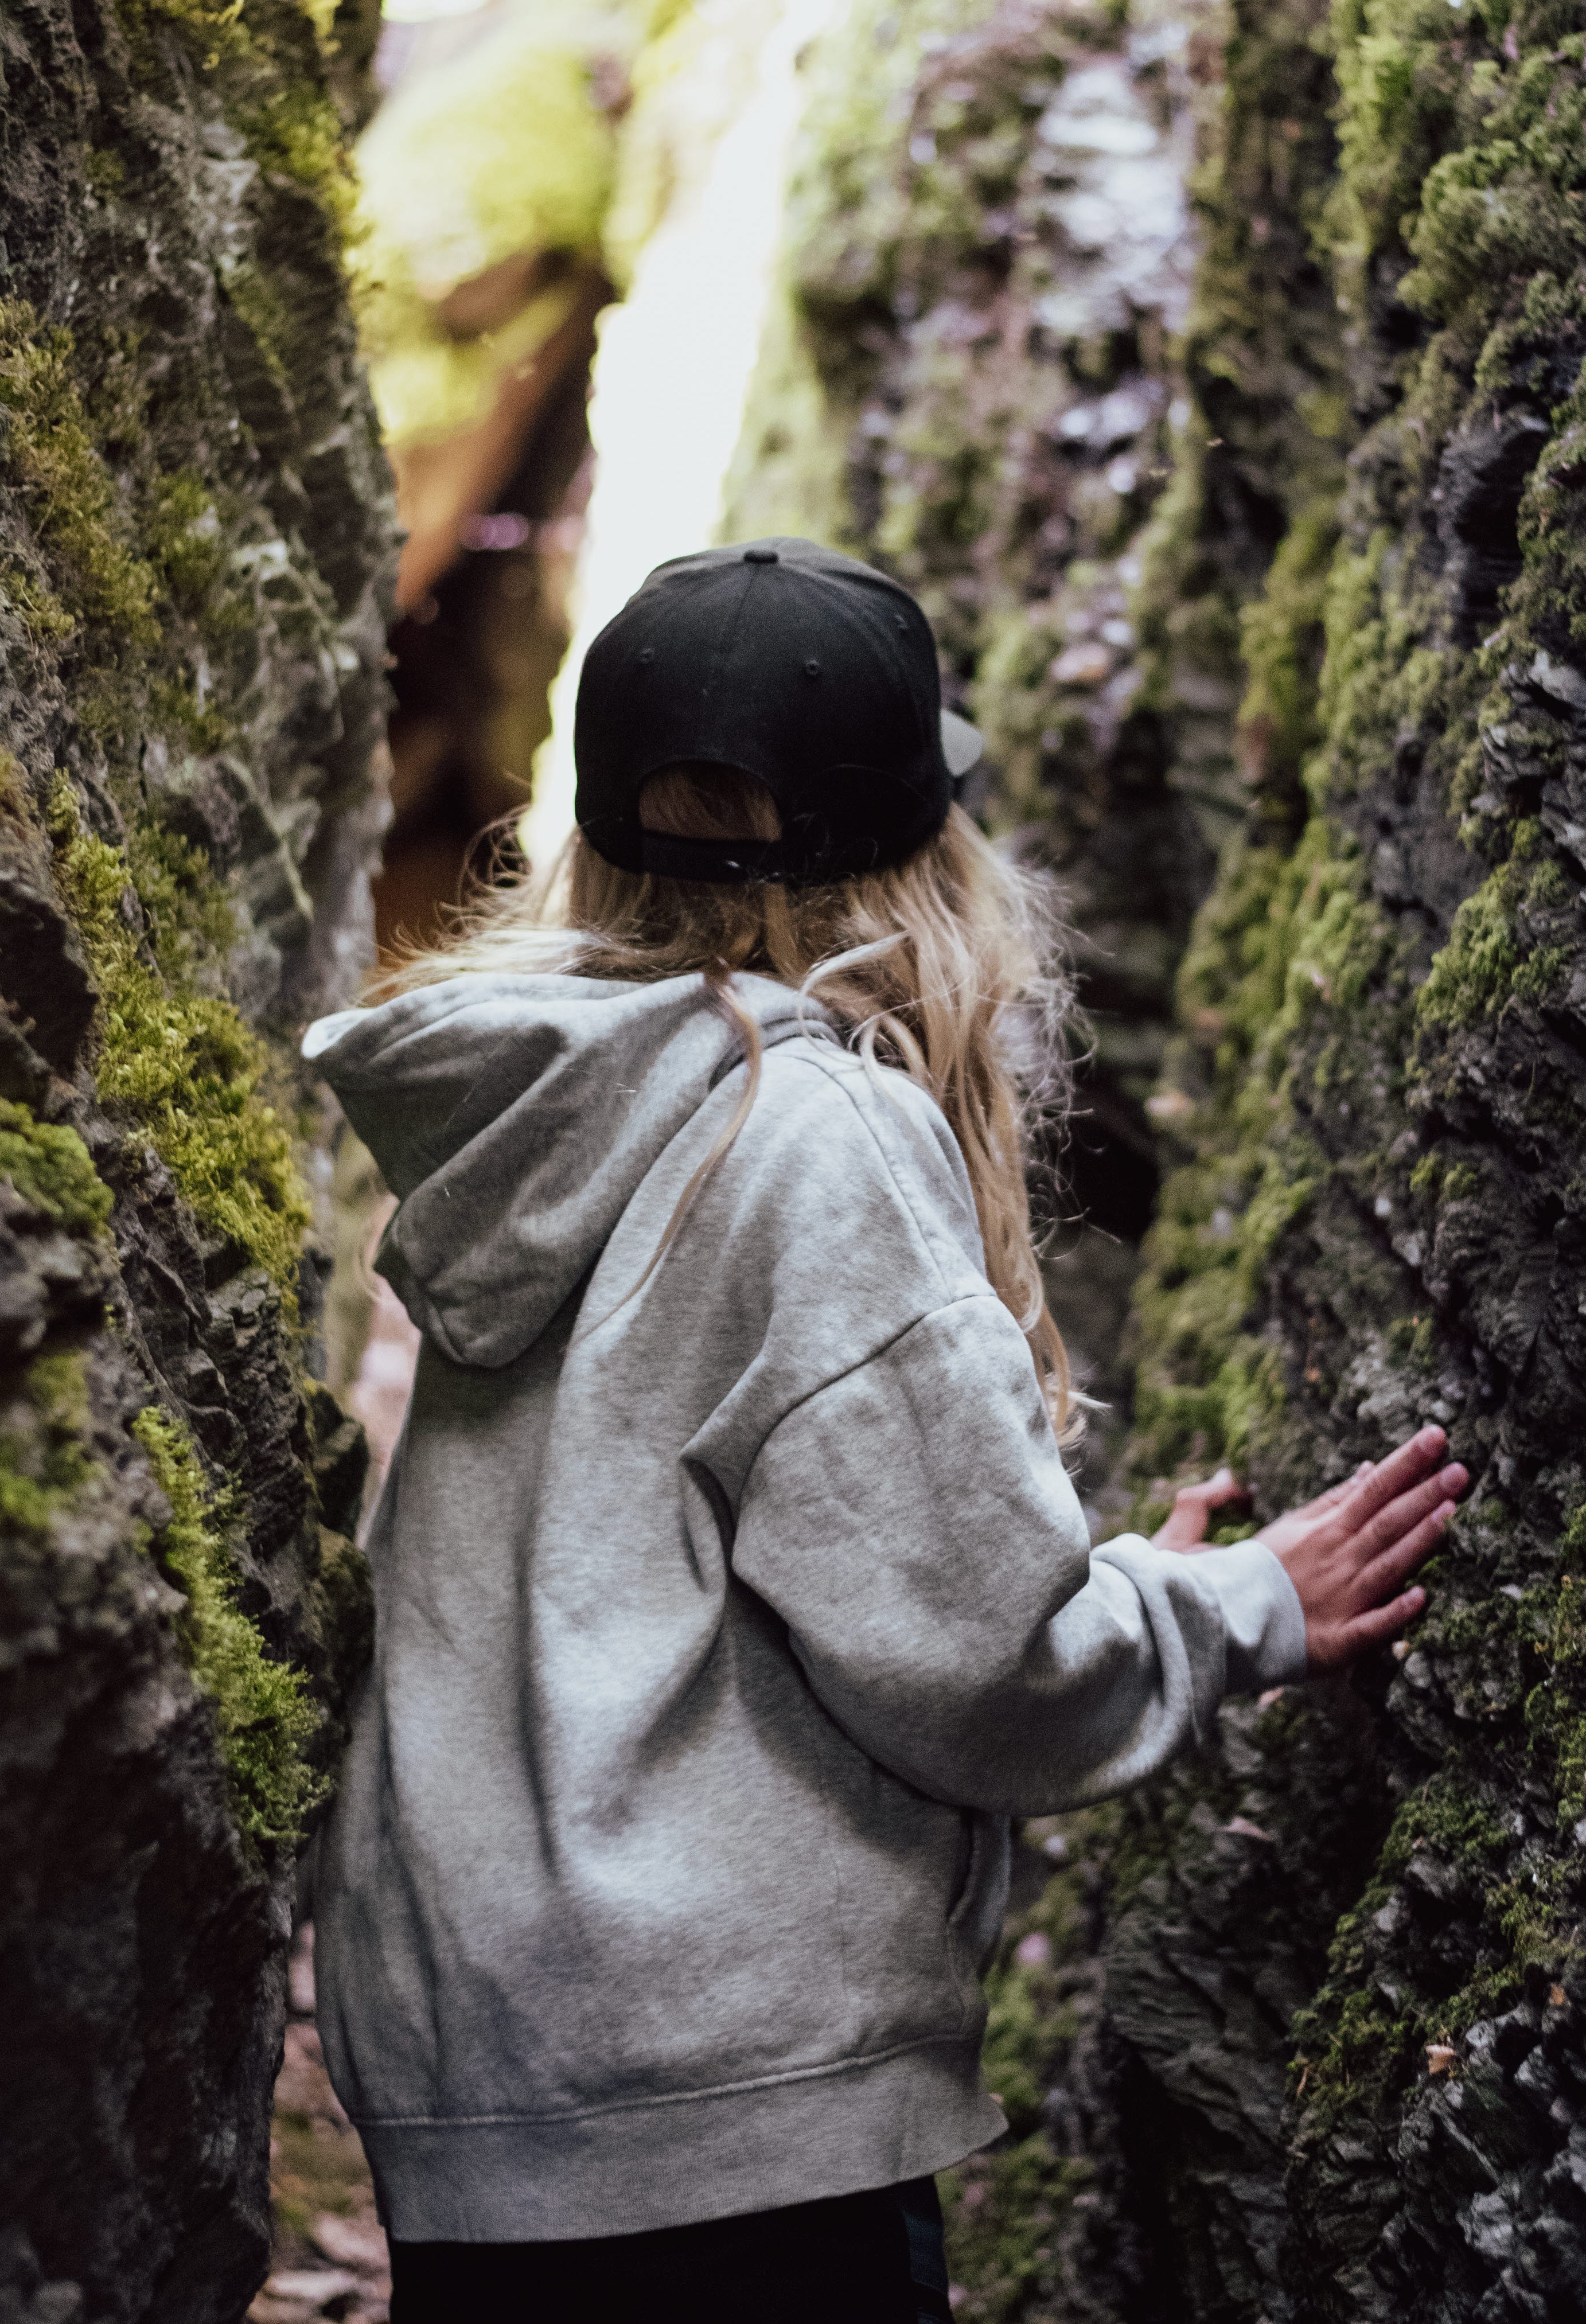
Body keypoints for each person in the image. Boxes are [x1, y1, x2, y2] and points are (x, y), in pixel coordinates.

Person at [301, 538, 1467, 2322]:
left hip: (491, 2087)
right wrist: (1240, 1607)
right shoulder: (812, 1135)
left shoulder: (539, 1107)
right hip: (721, 2113)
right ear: (921, 859)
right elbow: (981, 1665)